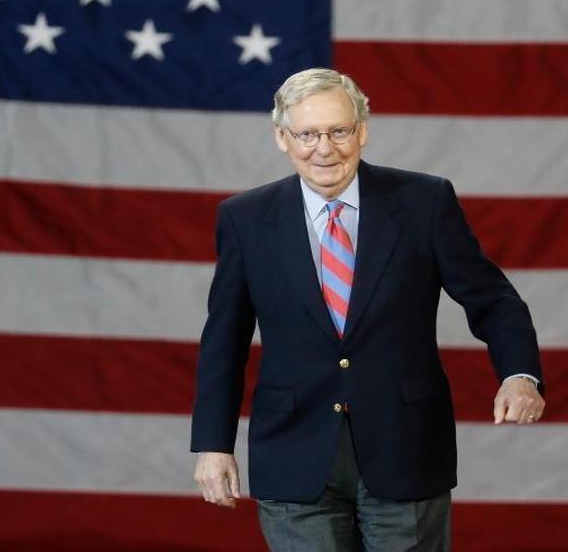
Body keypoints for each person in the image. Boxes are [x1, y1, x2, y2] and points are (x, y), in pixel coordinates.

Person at [191, 68, 545, 551]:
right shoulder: (245, 219)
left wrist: (519, 373)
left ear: (362, 130)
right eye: (308, 134)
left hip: (406, 450)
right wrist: (214, 443)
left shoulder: (424, 201)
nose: (324, 148)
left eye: (338, 130)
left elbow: (493, 299)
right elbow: (224, 340)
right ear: (281, 137)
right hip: (294, 455)